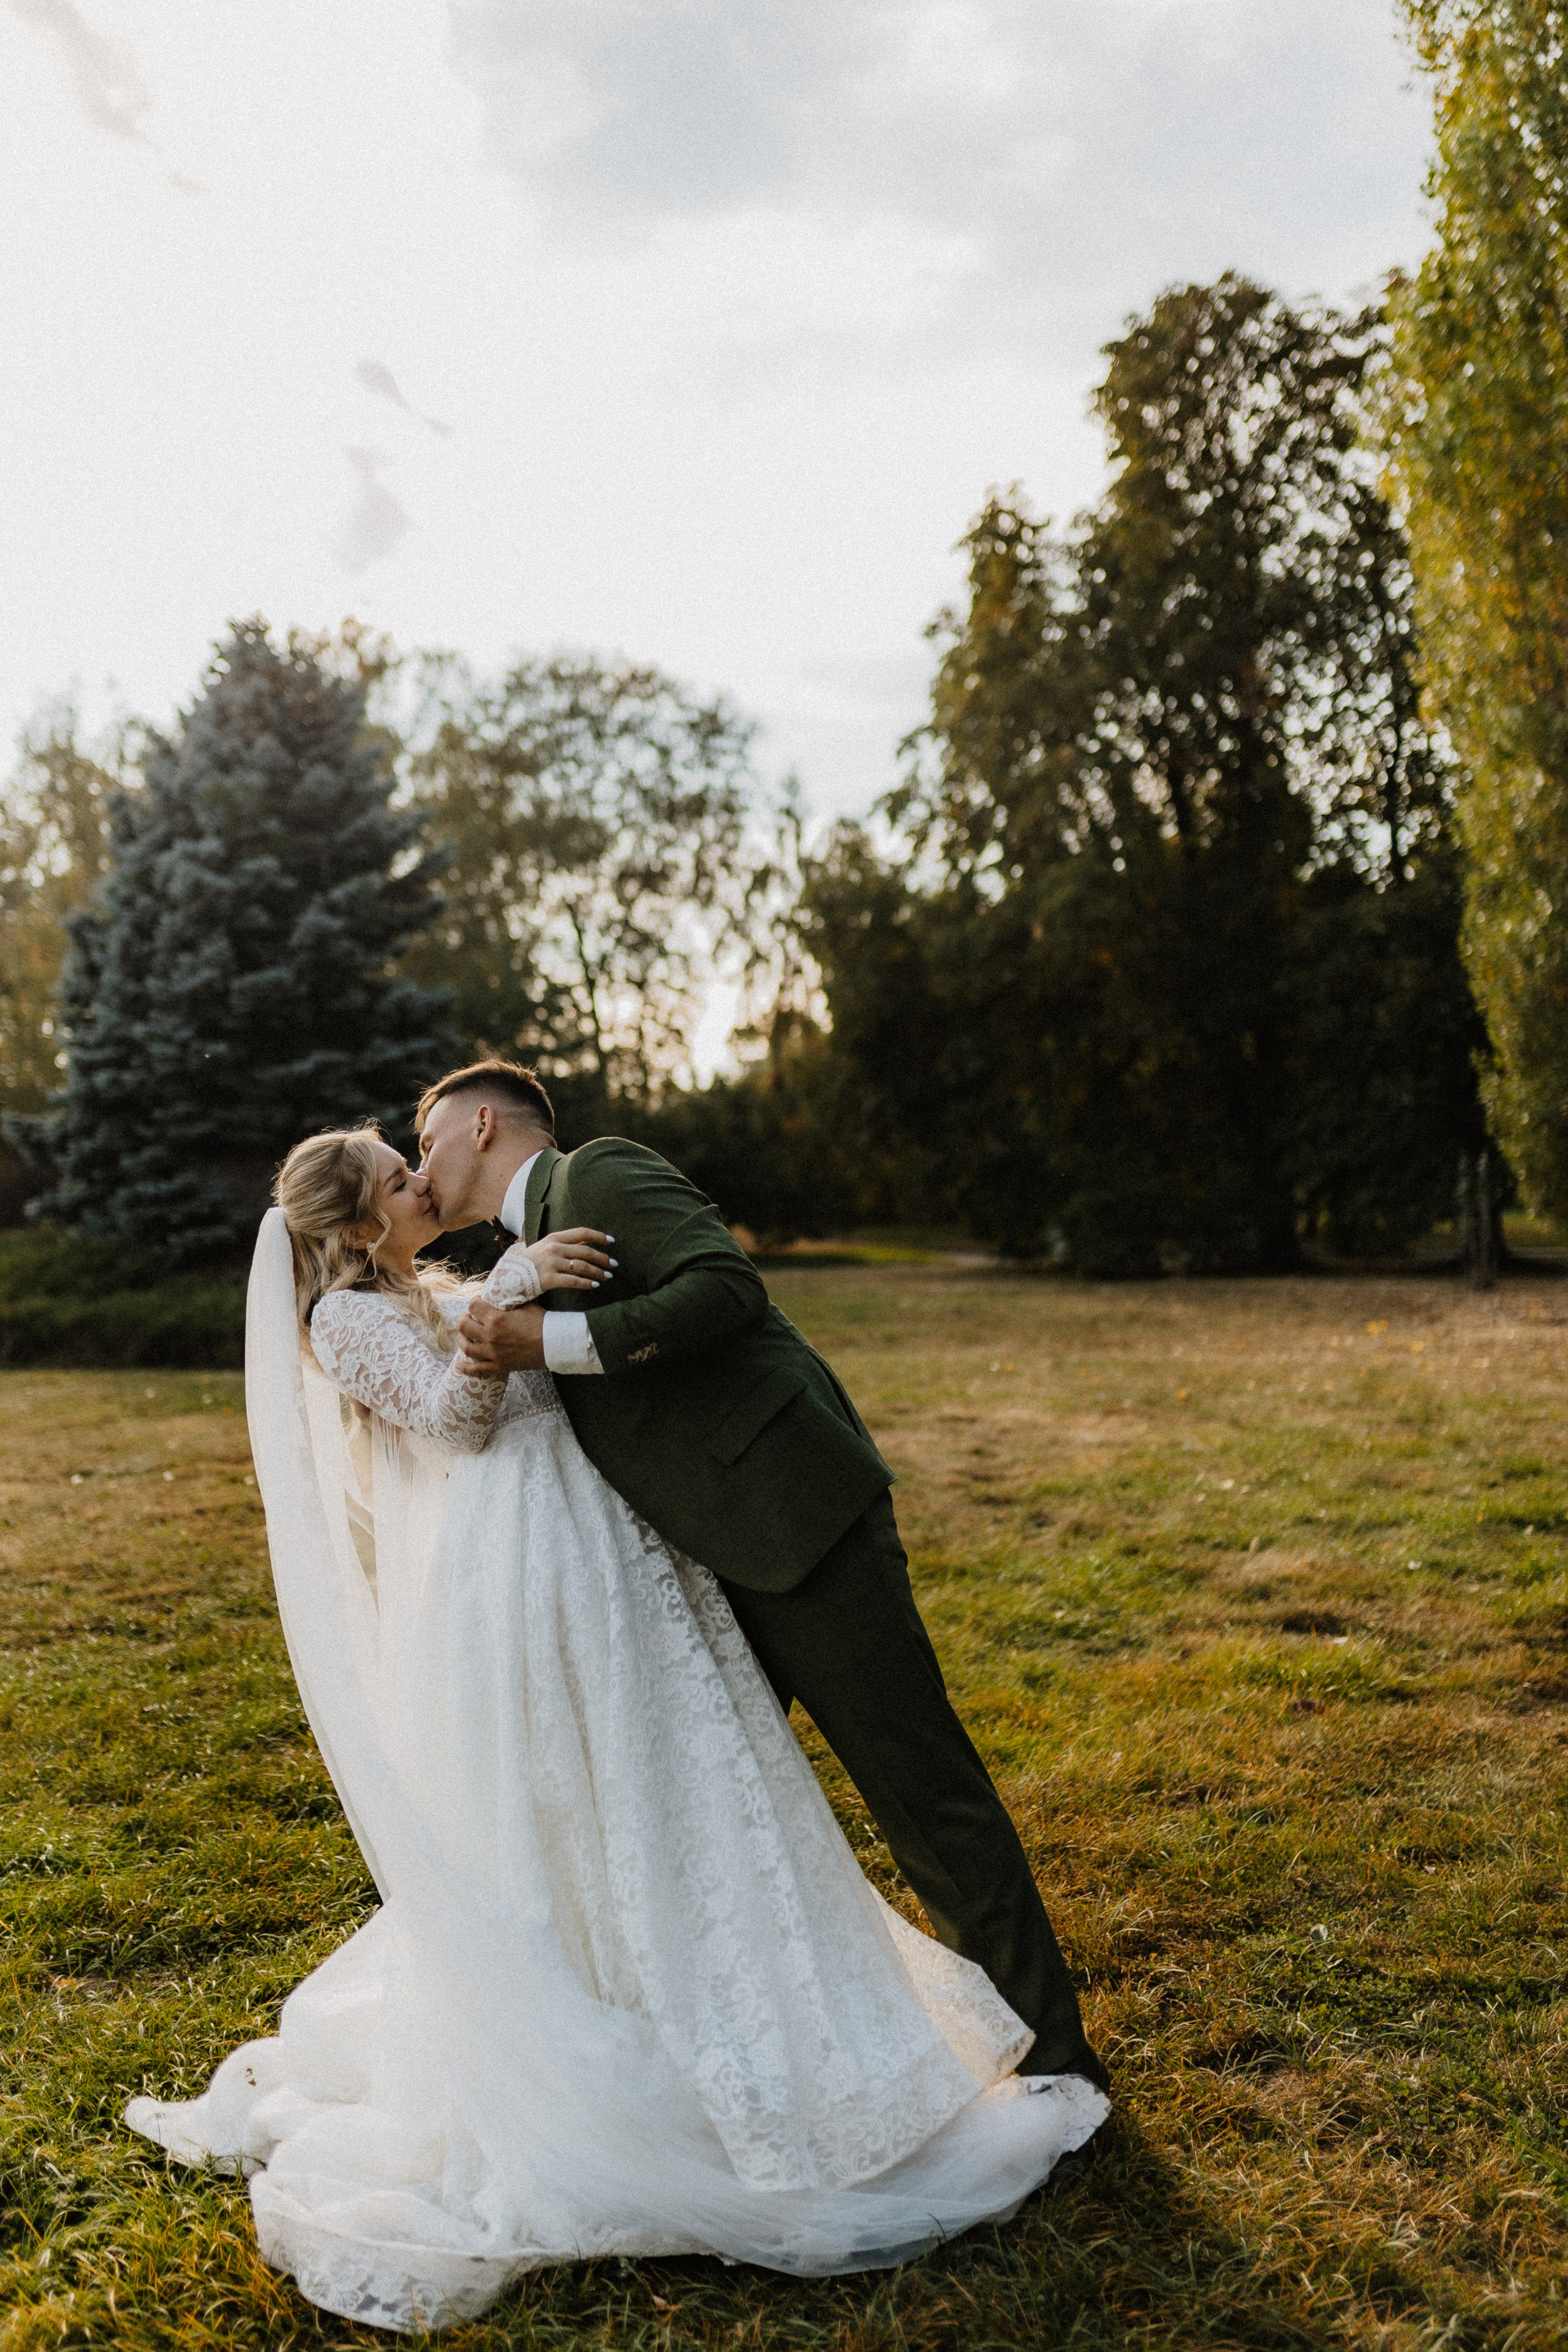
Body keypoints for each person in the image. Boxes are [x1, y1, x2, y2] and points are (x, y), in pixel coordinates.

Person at [126, 1124, 1106, 2332]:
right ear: (355, 1222)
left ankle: (746, 2025)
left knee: (678, 1786)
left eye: (416, 1160)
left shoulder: (443, 1284)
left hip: (608, 1557)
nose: (419, 1181)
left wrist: (509, 1298)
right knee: (584, 1805)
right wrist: (515, 1292)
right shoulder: (344, 1320)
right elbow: (457, 1420)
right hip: (523, 1568)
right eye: (396, 1176)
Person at [420, 1060, 1107, 2092]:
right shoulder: (526, 1253)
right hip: (704, 1567)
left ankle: (1056, 2068)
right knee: (714, 1818)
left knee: (923, 1795)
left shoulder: (597, 1173)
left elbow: (729, 1289)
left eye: (425, 1139)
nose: (419, 1164)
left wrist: (549, 1340)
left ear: (482, 1124)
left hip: (797, 1519)